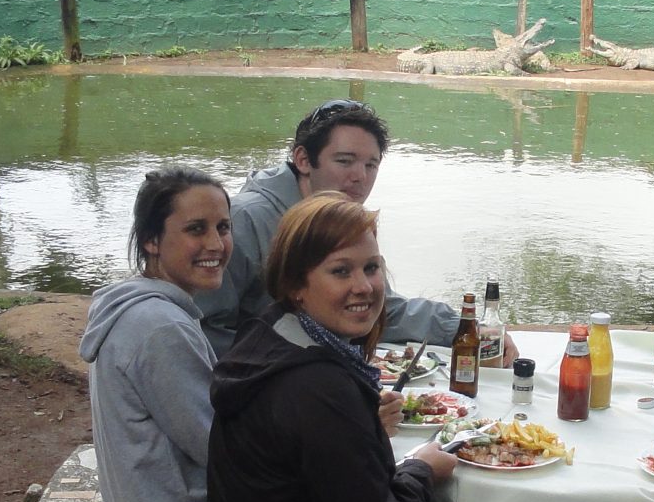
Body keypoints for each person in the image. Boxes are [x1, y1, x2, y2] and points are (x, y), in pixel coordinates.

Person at [206, 193, 557, 502]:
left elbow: (342, 501)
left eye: (371, 268)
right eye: (340, 271)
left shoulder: (273, 334)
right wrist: (422, 470)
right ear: (295, 283)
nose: (364, 286)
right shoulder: (316, 388)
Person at [194, 98, 518, 365]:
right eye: (345, 161)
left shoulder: (343, 218)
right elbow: (202, 327)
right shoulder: (246, 219)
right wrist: (285, 373)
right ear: (303, 159)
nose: (359, 178)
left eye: (370, 165)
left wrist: (464, 327)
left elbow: (383, 308)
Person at [78, 166, 231, 502]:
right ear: (150, 240)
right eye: (195, 229)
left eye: (223, 227)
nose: (216, 245)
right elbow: (225, 450)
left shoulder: (139, 309)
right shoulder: (159, 328)